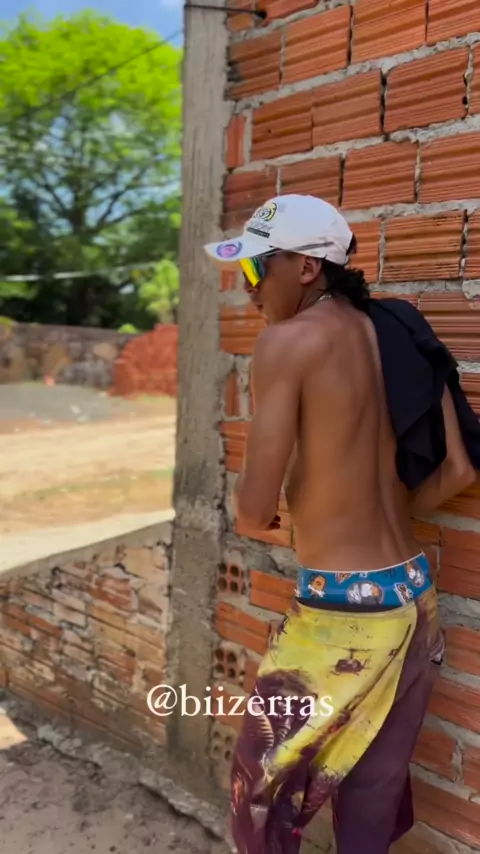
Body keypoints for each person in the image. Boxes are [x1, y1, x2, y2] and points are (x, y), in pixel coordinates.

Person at [204, 195, 478, 854]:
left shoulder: (287, 343)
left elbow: (252, 507)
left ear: (305, 267)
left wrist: (281, 520)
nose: (249, 291)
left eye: (256, 270)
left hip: (342, 616)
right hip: (412, 598)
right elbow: (460, 468)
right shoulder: (397, 331)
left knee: (256, 798)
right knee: (370, 793)